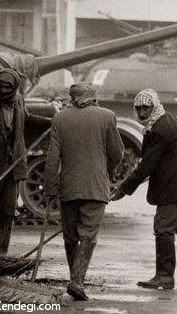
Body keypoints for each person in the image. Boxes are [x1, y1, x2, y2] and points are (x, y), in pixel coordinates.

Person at [112, 88, 177, 290]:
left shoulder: (158, 130)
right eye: (138, 109)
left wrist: (124, 188)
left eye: (146, 108)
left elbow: (146, 165)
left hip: (174, 186)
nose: (141, 113)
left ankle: (164, 276)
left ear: (154, 106)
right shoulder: (168, 118)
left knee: (163, 229)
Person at [45, 82, 124, 300]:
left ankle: (75, 278)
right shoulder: (107, 116)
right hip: (96, 186)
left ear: (72, 98)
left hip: (68, 187)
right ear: (93, 96)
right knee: (87, 235)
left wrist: (50, 188)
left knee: (70, 236)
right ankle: (77, 281)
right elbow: (117, 153)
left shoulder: (60, 118)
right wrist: (107, 170)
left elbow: (53, 157)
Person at [0, 69, 51, 271]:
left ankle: (1, 256)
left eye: (8, 87)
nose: (4, 90)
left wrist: (51, 122)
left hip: (13, 166)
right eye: (0, 86)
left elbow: (27, 118)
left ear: (14, 88)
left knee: (8, 211)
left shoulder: (19, 101)